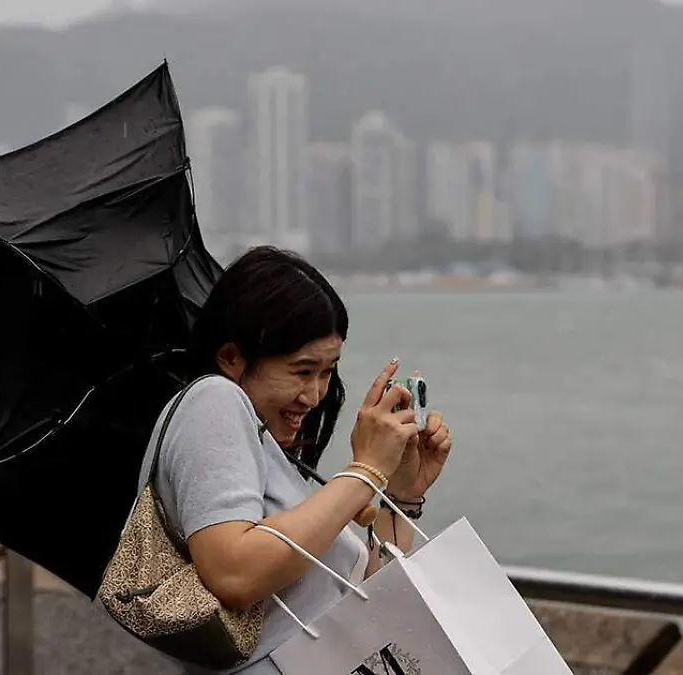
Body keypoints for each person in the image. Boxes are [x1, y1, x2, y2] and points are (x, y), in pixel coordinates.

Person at [144, 246, 454, 674]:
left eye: (327, 372)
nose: (314, 396)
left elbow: (366, 600)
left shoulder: (265, 447)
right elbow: (234, 574)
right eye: (302, 371)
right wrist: (366, 469)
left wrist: (401, 492)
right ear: (232, 357)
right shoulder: (213, 401)